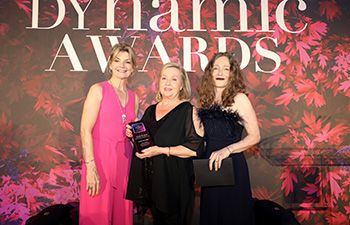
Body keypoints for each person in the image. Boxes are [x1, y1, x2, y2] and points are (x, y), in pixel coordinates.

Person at [126, 62, 204, 225]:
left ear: (182, 85)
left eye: (174, 79)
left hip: (175, 184)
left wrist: (162, 150)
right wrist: (133, 135)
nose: (168, 83)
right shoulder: (150, 111)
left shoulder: (188, 111)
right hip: (153, 185)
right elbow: (146, 144)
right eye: (164, 78)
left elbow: (196, 148)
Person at [197, 52, 260, 225]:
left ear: (232, 74)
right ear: (210, 72)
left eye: (226, 69)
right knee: (212, 215)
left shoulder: (239, 99)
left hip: (232, 166)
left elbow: (255, 136)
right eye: (216, 68)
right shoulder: (206, 100)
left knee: (233, 215)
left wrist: (228, 150)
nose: (220, 72)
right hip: (210, 168)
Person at [79, 43, 138, 225]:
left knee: (122, 216)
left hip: (124, 163)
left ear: (133, 68)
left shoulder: (134, 97)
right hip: (100, 162)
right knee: (97, 216)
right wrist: (91, 168)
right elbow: (85, 130)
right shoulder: (98, 90)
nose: (122, 65)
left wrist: (133, 134)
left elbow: (131, 132)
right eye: (117, 60)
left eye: (127, 62)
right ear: (110, 64)